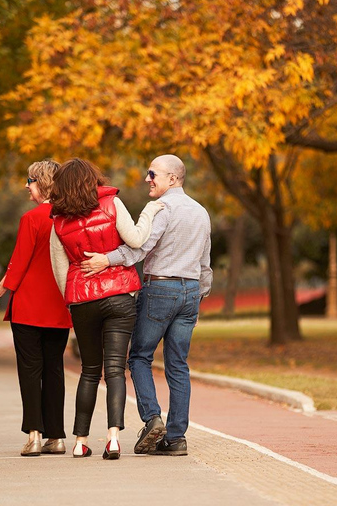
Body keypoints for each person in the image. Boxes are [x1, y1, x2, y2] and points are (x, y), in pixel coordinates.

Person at [81, 154, 212, 457]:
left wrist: (106, 259)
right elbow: (205, 263)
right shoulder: (201, 212)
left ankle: (152, 418)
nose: (147, 179)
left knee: (139, 356)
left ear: (172, 179)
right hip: (191, 290)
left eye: (152, 174)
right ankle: (176, 438)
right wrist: (197, 296)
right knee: (178, 364)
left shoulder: (162, 209)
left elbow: (139, 248)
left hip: (161, 288)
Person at [49, 157, 163, 459]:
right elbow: (137, 239)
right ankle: (113, 439)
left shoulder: (57, 222)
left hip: (83, 299)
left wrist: (72, 300)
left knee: (89, 371)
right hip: (120, 295)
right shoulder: (112, 204)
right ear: (93, 180)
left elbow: (60, 271)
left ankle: (79, 441)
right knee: (115, 370)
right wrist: (150, 211)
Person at [0, 160, 73, 457]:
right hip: (59, 306)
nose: (26, 186)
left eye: (30, 180)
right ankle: (56, 436)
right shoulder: (70, 217)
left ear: (43, 183)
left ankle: (34, 435)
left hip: (29, 308)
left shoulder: (32, 218)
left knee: (30, 370)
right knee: (54, 369)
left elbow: (18, 265)